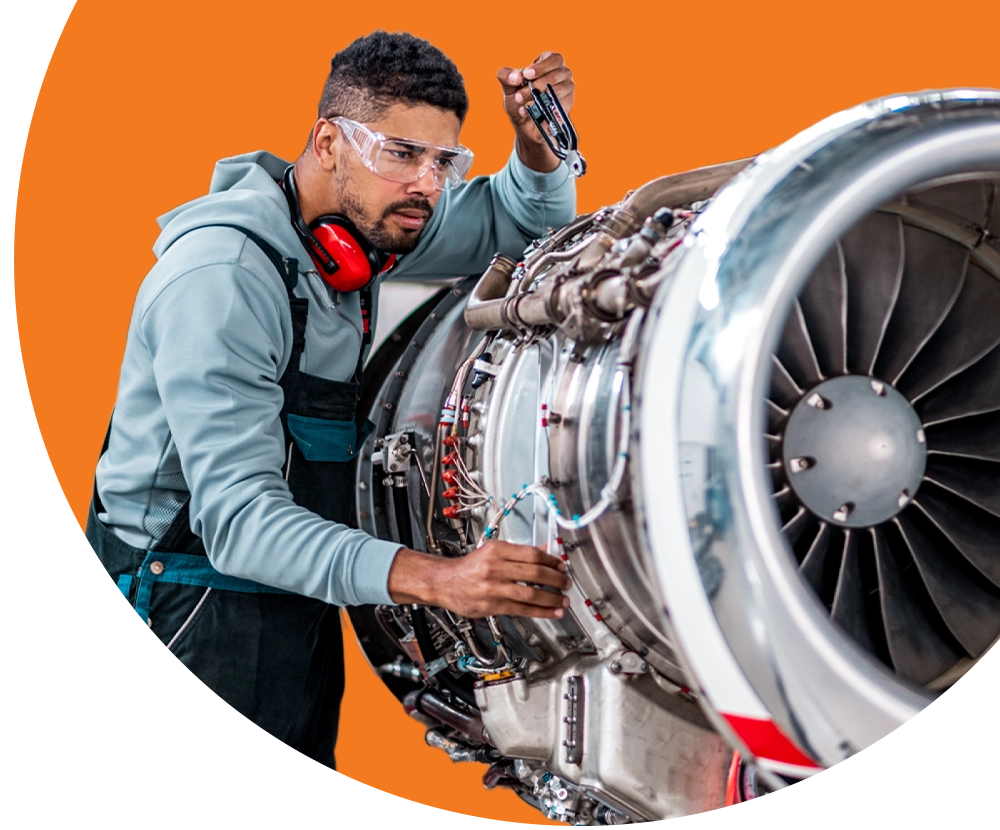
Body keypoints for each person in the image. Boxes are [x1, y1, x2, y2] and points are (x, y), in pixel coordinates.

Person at [86, 31, 577, 774]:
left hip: (296, 593)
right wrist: (440, 578)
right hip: (185, 608)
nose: (428, 185)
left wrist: (539, 151)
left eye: (445, 160)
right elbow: (240, 521)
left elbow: (525, 232)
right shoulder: (224, 277)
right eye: (402, 152)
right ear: (327, 143)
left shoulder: (362, 228)